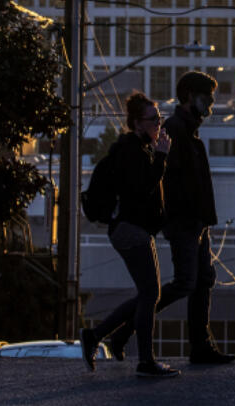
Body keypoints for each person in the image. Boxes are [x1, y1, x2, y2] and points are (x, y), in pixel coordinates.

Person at [80, 92, 179, 378]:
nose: (159, 125)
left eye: (159, 119)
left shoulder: (139, 148)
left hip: (135, 229)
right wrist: (161, 156)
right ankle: (144, 360)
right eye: (153, 120)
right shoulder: (131, 151)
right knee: (150, 293)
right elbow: (141, 190)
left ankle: (97, 335)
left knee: (150, 293)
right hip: (129, 229)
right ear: (137, 123)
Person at [143, 70, 235, 364]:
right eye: (206, 98)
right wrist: (187, 219)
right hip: (185, 222)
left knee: (203, 280)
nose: (210, 105)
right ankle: (125, 324)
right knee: (186, 282)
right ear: (188, 98)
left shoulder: (188, 130)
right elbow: (171, 182)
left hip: (196, 221)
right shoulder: (175, 130)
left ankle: (200, 346)